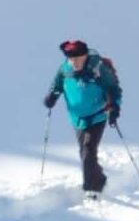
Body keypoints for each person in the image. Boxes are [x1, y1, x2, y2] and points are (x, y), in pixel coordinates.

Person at [43, 39, 122, 198]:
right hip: (77, 118)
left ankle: (93, 189)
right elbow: (57, 85)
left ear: (85, 55)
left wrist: (114, 108)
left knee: (88, 150)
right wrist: (52, 96)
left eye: (78, 58)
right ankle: (98, 176)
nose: (74, 62)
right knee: (85, 152)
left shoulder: (98, 68)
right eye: (71, 59)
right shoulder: (65, 69)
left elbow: (114, 89)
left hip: (98, 116)